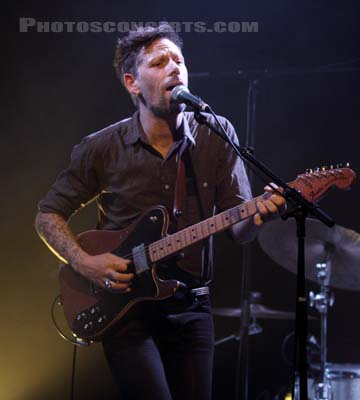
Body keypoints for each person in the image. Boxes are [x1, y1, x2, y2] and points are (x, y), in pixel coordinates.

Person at [34, 23, 286, 400]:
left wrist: (260, 214)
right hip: (125, 310)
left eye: (179, 60)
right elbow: (48, 214)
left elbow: (239, 229)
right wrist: (85, 262)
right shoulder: (102, 147)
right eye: (159, 62)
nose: (174, 68)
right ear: (132, 83)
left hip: (192, 305)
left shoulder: (216, 134)